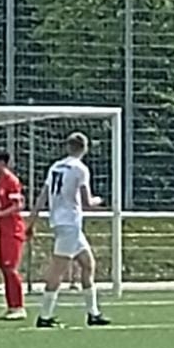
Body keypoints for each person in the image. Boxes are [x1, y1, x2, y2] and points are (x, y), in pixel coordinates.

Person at [30, 132, 110, 328]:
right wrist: (101, 201)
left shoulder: (56, 166)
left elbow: (43, 196)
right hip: (70, 224)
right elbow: (87, 202)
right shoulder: (80, 168)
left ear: (68, 147)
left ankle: (93, 313)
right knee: (58, 270)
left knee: (88, 264)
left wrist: (32, 220)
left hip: (61, 222)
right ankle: (44, 316)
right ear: (85, 148)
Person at [0, 151, 29, 320]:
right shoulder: (0, 180)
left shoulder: (11, 180)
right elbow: (3, 203)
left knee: (10, 268)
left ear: (2, 163)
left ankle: (18, 306)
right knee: (4, 267)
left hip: (13, 230)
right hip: (3, 230)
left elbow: (17, 205)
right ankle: (11, 306)